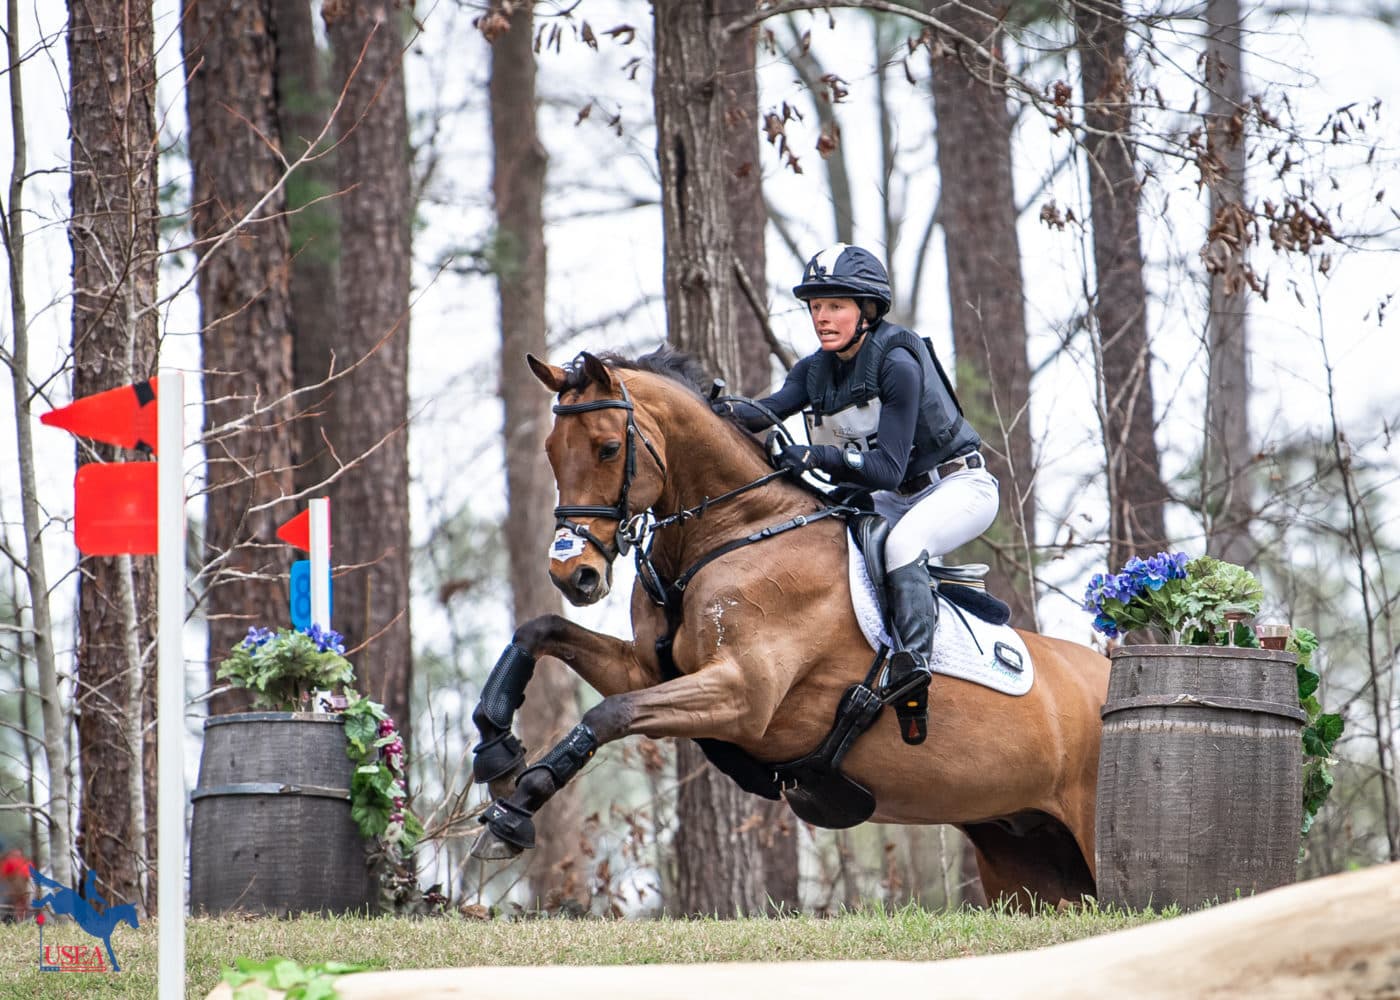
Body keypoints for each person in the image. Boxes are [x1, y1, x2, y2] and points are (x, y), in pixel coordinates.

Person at [724, 244, 1000, 745]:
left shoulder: (897, 361)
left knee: (900, 546)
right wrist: (708, 413)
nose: (822, 318)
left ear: (867, 311)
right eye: (815, 307)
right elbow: (767, 411)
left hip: (957, 485)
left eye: (836, 306)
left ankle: (912, 666)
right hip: (891, 496)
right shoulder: (814, 370)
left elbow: (889, 469)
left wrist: (820, 458)